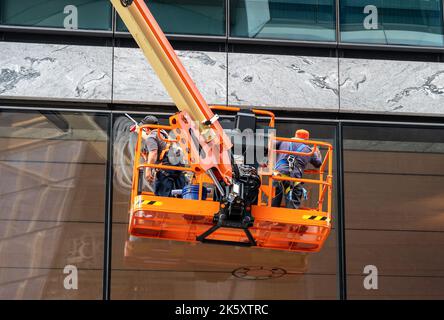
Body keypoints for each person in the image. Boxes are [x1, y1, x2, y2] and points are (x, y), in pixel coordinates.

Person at [271, 129, 322, 209]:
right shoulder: (309, 150)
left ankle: (272, 213)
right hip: (294, 178)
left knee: (273, 201)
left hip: (278, 175)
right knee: (292, 206)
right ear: (306, 140)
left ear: (295, 136)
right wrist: (316, 152)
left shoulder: (284, 141)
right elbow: (318, 164)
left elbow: (269, 146)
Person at [138, 115, 186, 197]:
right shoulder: (163, 134)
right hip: (177, 169)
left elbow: (153, 153)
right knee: (181, 197)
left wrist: (148, 170)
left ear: (146, 128)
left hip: (165, 171)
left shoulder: (151, 137)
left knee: (162, 197)